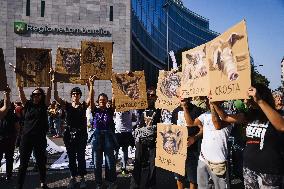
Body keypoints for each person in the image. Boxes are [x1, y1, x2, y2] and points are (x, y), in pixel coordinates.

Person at [211, 84, 284, 188]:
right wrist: (215, 104)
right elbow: (226, 117)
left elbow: (281, 126)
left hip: (270, 171)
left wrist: (259, 101)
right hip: (249, 168)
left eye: (248, 98)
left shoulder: (278, 114)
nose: (245, 101)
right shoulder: (249, 115)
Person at [52, 71, 95, 189]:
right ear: (71, 96)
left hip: (81, 134)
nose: (75, 95)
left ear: (80, 96)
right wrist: (54, 82)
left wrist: (91, 84)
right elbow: (56, 97)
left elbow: (90, 98)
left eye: (77, 94)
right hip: (69, 134)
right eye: (74, 93)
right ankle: (73, 177)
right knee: (71, 157)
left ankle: (82, 178)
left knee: (81, 156)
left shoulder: (83, 106)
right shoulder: (67, 105)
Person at [185, 96, 233, 189]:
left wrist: (213, 106)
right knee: (203, 187)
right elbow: (190, 123)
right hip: (203, 159)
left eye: (209, 99)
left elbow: (217, 125)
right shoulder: (205, 114)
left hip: (218, 162)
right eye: (206, 100)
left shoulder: (228, 115)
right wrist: (184, 107)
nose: (207, 101)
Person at [16, 86, 51, 189]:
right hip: (26, 138)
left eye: (38, 94)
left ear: (42, 96)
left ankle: (43, 183)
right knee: (23, 164)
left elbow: (48, 94)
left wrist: (50, 84)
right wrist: (20, 87)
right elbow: (21, 95)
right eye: (34, 94)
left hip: (39, 139)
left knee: (41, 162)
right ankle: (19, 186)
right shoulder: (28, 105)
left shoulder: (44, 106)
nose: (36, 96)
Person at [130, 87, 161, 189]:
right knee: (138, 161)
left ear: (155, 97)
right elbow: (130, 95)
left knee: (153, 164)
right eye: (148, 95)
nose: (150, 97)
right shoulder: (139, 107)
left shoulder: (159, 109)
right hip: (140, 139)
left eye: (152, 95)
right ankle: (135, 185)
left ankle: (151, 184)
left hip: (154, 139)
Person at [172, 96, 204, 189]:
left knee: (193, 177)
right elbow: (172, 129)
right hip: (179, 149)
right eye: (180, 95)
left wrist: (194, 138)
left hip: (193, 149)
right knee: (179, 176)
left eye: (185, 95)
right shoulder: (175, 111)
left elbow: (202, 129)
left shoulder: (196, 110)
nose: (182, 97)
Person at [89, 93, 118, 189]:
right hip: (96, 136)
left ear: (106, 101)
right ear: (98, 101)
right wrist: (91, 85)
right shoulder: (95, 110)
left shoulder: (109, 110)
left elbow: (113, 100)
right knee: (97, 161)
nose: (102, 101)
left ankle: (111, 182)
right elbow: (91, 100)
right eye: (100, 100)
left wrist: (113, 84)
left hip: (108, 136)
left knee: (110, 160)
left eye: (104, 99)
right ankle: (99, 183)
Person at [0, 86, 18, 181]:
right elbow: (17, 127)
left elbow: (17, 126)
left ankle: (9, 175)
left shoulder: (11, 115)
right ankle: (9, 175)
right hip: (8, 138)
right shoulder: (9, 114)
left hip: (8, 138)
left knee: (9, 158)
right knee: (9, 158)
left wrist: (6, 93)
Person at [114, 109, 136, 175]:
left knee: (125, 151)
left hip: (127, 131)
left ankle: (124, 168)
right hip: (118, 132)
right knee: (116, 151)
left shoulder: (131, 108)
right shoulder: (116, 108)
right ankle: (113, 168)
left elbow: (134, 118)